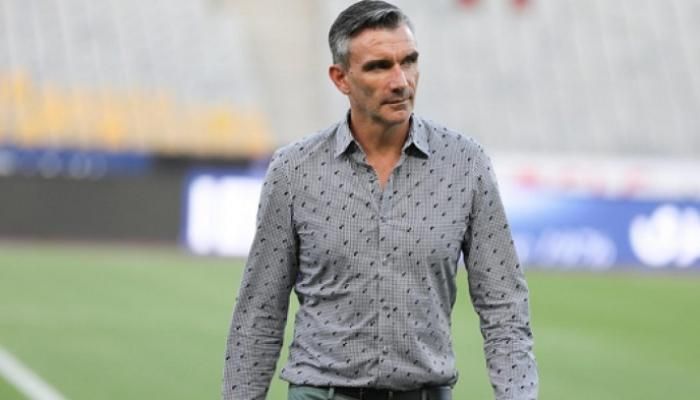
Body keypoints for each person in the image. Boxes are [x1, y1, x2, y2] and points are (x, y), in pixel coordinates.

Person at [222, 1, 538, 399]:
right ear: (341, 78)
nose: (401, 81)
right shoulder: (294, 170)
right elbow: (259, 311)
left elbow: (504, 306)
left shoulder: (465, 164)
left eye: (409, 61)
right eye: (379, 66)